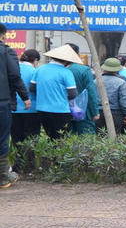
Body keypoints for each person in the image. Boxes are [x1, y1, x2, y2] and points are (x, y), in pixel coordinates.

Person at [0, 25, 31, 188]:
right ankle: (3, 177)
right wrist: (25, 97)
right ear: (4, 36)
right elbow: (14, 76)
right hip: (2, 101)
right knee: (2, 139)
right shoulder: (6, 52)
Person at [30, 45, 80, 139]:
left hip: (42, 109)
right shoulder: (66, 72)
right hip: (61, 110)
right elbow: (73, 94)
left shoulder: (40, 69)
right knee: (61, 138)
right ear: (67, 61)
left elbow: (32, 88)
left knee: (50, 136)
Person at [63, 43, 99, 135]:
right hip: (83, 111)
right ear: (78, 54)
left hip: (64, 110)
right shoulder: (84, 70)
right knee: (87, 140)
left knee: (68, 140)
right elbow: (91, 92)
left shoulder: (58, 70)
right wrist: (95, 111)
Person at [10, 49, 40, 149]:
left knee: (16, 140)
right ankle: (29, 163)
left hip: (13, 109)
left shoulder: (13, 69)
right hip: (31, 109)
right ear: (35, 60)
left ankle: (17, 163)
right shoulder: (35, 72)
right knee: (31, 140)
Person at [98, 58, 126, 133]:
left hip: (99, 113)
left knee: (99, 137)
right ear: (117, 69)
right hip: (116, 114)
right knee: (114, 137)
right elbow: (123, 100)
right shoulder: (121, 82)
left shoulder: (96, 81)